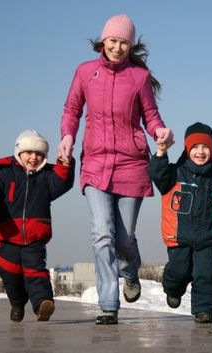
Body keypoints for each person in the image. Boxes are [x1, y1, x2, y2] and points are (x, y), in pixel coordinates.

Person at [58, 14, 174, 325]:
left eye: (124, 42)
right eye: (113, 41)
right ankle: (108, 304)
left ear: (130, 44)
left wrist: (160, 132)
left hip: (131, 164)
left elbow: (151, 115)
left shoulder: (139, 76)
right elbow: (72, 109)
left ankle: (130, 272)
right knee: (101, 233)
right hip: (95, 164)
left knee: (124, 238)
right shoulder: (85, 72)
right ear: (104, 40)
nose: (118, 47)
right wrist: (67, 136)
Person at [147, 122, 212, 323]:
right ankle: (173, 288)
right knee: (179, 269)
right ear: (187, 149)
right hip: (179, 237)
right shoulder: (175, 174)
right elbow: (157, 173)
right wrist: (161, 151)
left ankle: (205, 309)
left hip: (206, 238)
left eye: (205, 148)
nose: (200, 152)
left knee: (206, 273)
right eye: (195, 148)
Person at [0, 130, 75, 322]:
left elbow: (62, 183)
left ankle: (42, 304)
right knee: (9, 273)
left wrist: (64, 164)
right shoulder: (3, 174)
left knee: (36, 271)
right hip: (7, 236)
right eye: (29, 152)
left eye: (39, 154)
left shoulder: (46, 177)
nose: (34, 157)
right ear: (18, 152)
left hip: (35, 237)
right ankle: (17, 303)